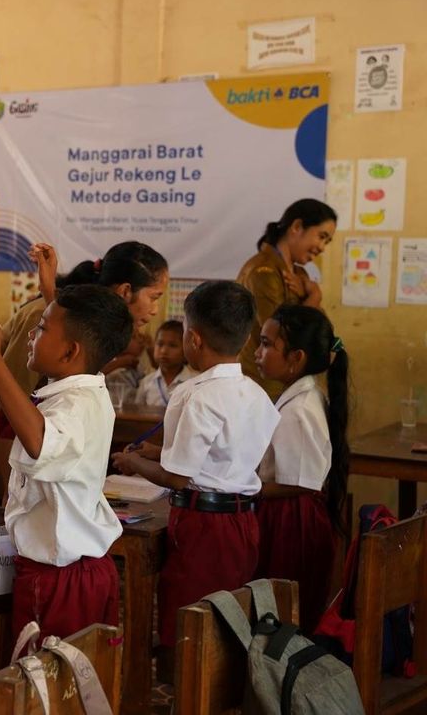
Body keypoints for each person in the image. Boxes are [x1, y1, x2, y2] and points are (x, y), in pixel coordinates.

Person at [0, 285, 134, 639]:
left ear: (70, 351)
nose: (32, 336)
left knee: (46, 685)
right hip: (66, 571)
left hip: (62, 580)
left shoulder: (76, 405)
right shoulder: (74, 391)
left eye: (41, 329)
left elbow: (39, 442)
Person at [112, 280, 280, 654]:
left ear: (194, 339)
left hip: (204, 526)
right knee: (229, 621)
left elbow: (177, 477)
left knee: (189, 627)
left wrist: (133, 461)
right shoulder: (256, 393)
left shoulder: (195, 394)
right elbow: (223, 451)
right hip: (244, 521)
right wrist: (158, 450)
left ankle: (186, 697)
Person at [252, 304, 349, 633]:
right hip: (289, 515)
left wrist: (247, 488)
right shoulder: (299, 397)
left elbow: (301, 483)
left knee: (284, 616)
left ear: (296, 358)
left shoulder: (300, 409)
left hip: (291, 520)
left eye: (267, 344)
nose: (257, 353)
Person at [237, 198, 337, 398]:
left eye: (327, 241)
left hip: (287, 382)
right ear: (297, 226)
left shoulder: (300, 274)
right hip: (261, 383)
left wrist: (309, 298)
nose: (322, 247)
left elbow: (320, 329)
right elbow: (279, 335)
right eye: (321, 236)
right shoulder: (263, 270)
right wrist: (314, 298)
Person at [133, 320, 193, 408]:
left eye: (172, 345)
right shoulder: (146, 382)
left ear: (185, 350)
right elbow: (137, 413)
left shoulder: (193, 383)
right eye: (160, 344)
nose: (164, 351)